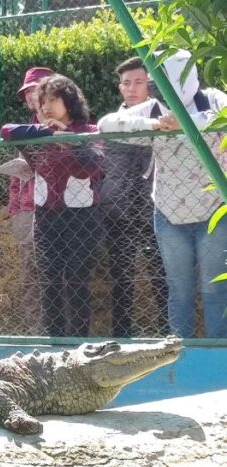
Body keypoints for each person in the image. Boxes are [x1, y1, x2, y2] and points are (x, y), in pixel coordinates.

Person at [98, 50, 227, 338]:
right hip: (168, 215)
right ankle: (180, 357)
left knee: (213, 288)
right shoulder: (154, 108)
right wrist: (154, 125)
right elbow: (107, 124)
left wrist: (186, 123)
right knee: (178, 289)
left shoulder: (213, 98)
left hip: (214, 212)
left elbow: (223, 115)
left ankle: (220, 358)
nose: (159, 88)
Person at [1, 74, 103, 337]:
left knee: (77, 283)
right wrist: (48, 131)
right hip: (46, 218)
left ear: (69, 101)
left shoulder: (89, 131)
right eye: (42, 100)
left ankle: (79, 346)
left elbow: (95, 163)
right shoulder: (38, 133)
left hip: (83, 219)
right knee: (50, 284)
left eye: (52, 99)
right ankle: (55, 344)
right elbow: (6, 131)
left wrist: (68, 139)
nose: (45, 106)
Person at [96, 57, 169, 337]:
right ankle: (121, 338)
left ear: (149, 84)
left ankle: (168, 333)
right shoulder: (113, 121)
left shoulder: (164, 115)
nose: (132, 88)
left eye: (138, 82)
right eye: (126, 83)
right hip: (117, 211)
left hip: (153, 208)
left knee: (161, 276)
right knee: (120, 280)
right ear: (119, 87)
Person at [7, 66, 53, 334]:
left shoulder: (71, 127)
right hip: (26, 212)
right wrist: (15, 210)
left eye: (37, 90)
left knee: (62, 278)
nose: (32, 97)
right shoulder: (22, 131)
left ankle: (66, 336)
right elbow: (15, 179)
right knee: (31, 278)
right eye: (28, 93)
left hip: (58, 211)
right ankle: (38, 335)